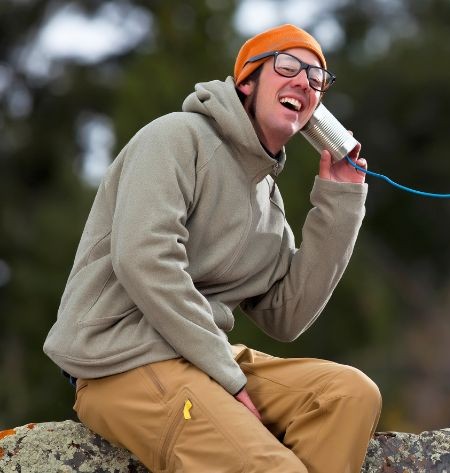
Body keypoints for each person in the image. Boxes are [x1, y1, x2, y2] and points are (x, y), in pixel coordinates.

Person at [43, 24, 381, 472]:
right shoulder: (176, 137)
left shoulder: (268, 202)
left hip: (200, 360)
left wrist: (341, 201)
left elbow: (286, 316)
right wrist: (228, 376)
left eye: (317, 78)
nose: (304, 82)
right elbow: (144, 259)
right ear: (246, 82)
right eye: (287, 66)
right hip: (119, 360)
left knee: (348, 394)